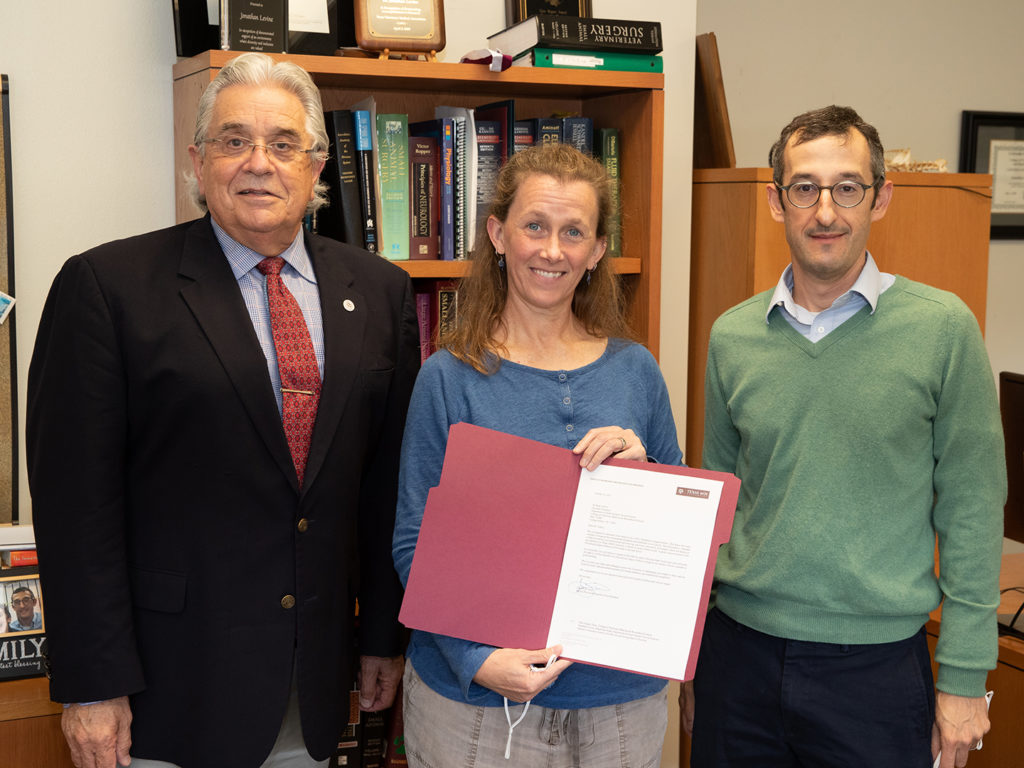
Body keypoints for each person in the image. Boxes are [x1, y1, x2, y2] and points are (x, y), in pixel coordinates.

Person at [27, 53, 418, 768]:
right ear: (197, 160)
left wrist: (381, 638)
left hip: (316, 685)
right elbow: (75, 510)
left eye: (282, 143)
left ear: (319, 163)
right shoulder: (107, 289)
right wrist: (91, 685)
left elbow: (386, 483)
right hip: (165, 693)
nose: (258, 163)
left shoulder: (382, 292)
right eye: (234, 141)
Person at [688, 105, 1006, 768]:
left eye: (847, 187)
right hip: (738, 660)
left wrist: (965, 678)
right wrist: (692, 659)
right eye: (804, 188)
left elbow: (973, 512)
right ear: (777, 202)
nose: (825, 211)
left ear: (880, 198)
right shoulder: (732, 337)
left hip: (877, 674)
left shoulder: (944, 330)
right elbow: (713, 510)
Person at [392, 142, 683, 767]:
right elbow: (414, 546)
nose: (552, 251)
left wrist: (647, 478)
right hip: (475, 708)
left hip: (620, 702)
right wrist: (477, 660)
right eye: (534, 226)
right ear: (498, 235)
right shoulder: (448, 378)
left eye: (573, 232)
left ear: (598, 249)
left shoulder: (637, 371)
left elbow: (686, 546)